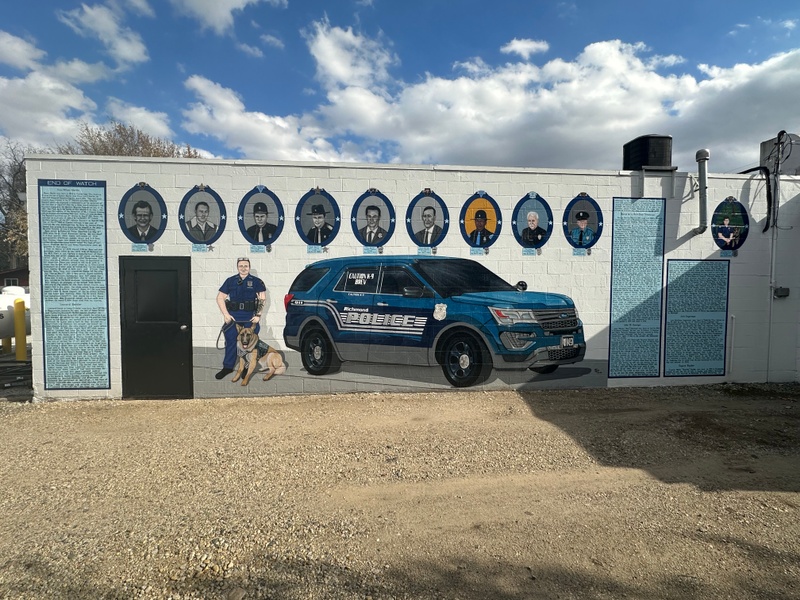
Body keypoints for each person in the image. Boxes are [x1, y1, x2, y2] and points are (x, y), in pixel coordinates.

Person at [215, 258, 266, 380]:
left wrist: (258, 315)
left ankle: (247, 367)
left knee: (249, 343)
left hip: (249, 317)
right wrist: (226, 315)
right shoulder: (230, 281)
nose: (243, 268)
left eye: (246, 266)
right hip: (234, 317)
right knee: (231, 341)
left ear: (249, 267)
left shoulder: (256, 281)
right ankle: (227, 367)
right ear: (237, 267)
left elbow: (262, 298)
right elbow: (220, 298)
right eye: (241, 266)